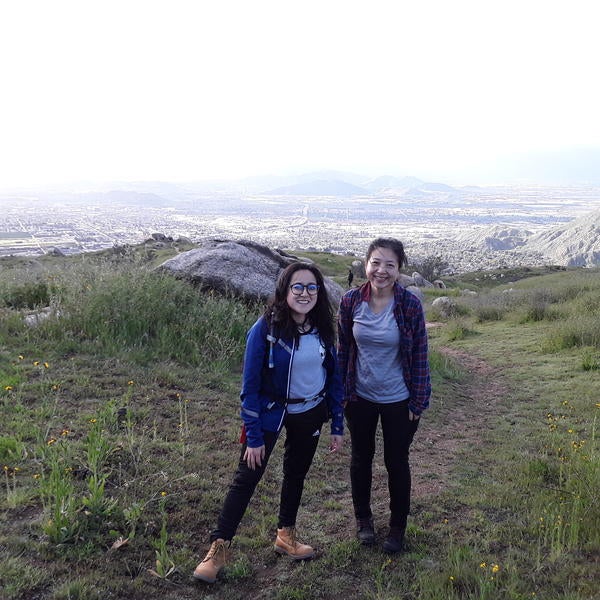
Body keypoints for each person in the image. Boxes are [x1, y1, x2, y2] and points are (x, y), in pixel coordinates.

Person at [193, 262, 344, 583]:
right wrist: (255, 434)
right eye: (297, 287)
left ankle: (285, 536)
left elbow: (335, 379)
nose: (305, 293)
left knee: (296, 474)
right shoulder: (265, 328)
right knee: (247, 477)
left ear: (319, 292)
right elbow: (248, 388)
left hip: (311, 411)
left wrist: (337, 424)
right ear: (284, 290)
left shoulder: (323, 329)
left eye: (312, 287)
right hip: (270, 413)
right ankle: (217, 549)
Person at [337, 238, 431, 553]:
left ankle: (397, 528)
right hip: (359, 396)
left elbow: (420, 355)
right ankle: (363, 521)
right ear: (366, 265)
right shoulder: (351, 302)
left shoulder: (409, 305)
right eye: (376, 262)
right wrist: (342, 394)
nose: (382, 270)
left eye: (390, 264)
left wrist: (418, 401)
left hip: (399, 399)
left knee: (397, 461)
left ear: (399, 269)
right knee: (361, 458)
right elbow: (344, 351)